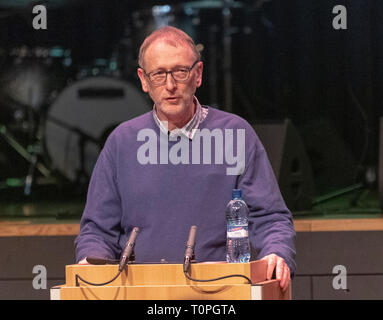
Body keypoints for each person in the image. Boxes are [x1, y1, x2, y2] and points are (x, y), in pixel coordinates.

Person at [75, 26, 296, 292]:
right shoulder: (122, 141)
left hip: (219, 292)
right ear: (143, 80)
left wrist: (277, 253)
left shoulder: (235, 134)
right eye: (158, 74)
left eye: (180, 72)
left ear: (198, 74)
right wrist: (89, 262)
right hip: (140, 291)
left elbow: (270, 217)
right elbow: (97, 229)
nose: (170, 85)